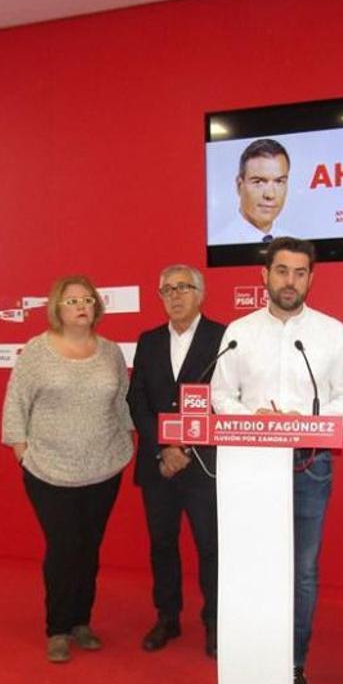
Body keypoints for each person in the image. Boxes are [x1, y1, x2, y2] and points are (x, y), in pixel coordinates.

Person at [211, 236, 343, 684]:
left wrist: (309, 422)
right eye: (282, 271)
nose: (290, 281)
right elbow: (221, 395)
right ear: (265, 275)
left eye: (300, 273)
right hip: (249, 464)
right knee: (251, 567)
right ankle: (252, 663)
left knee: (302, 572)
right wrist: (252, 420)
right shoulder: (239, 331)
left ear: (311, 278)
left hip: (308, 464)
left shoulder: (332, 332)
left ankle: (293, 664)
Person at [2, 275, 134, 663]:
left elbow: (122, 402)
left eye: (87, 300)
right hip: (49, 469)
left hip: (103, 468)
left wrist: (128, 441)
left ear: (97, 307)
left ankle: (81, 622)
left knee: (89, 548)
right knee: (63, 548)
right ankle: (57, 628)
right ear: (57, 308)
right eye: (72, 300)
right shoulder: (36, 351)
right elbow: (15, 403)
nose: (81, 306)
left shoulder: (111, 352)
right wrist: (21, 451)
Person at [127, 265, 226, 656]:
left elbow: (228, 400)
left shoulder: (224, 338)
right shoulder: (149, 340)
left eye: (183, 287)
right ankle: (167, 617)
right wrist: (163, 447)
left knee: (211, 547)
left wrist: (185, 448)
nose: (175, 295)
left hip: (204, 465)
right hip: (158, 465)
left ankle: (215, 622)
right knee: (162, 544)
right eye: (167, 289)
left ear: (200, 293)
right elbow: (137, 400)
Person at [214, 139, 293, 244]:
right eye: (258, 182)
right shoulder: (220, 241)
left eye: (279, 181)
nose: (270, 194)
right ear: (239, 185)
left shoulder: (294, 243)